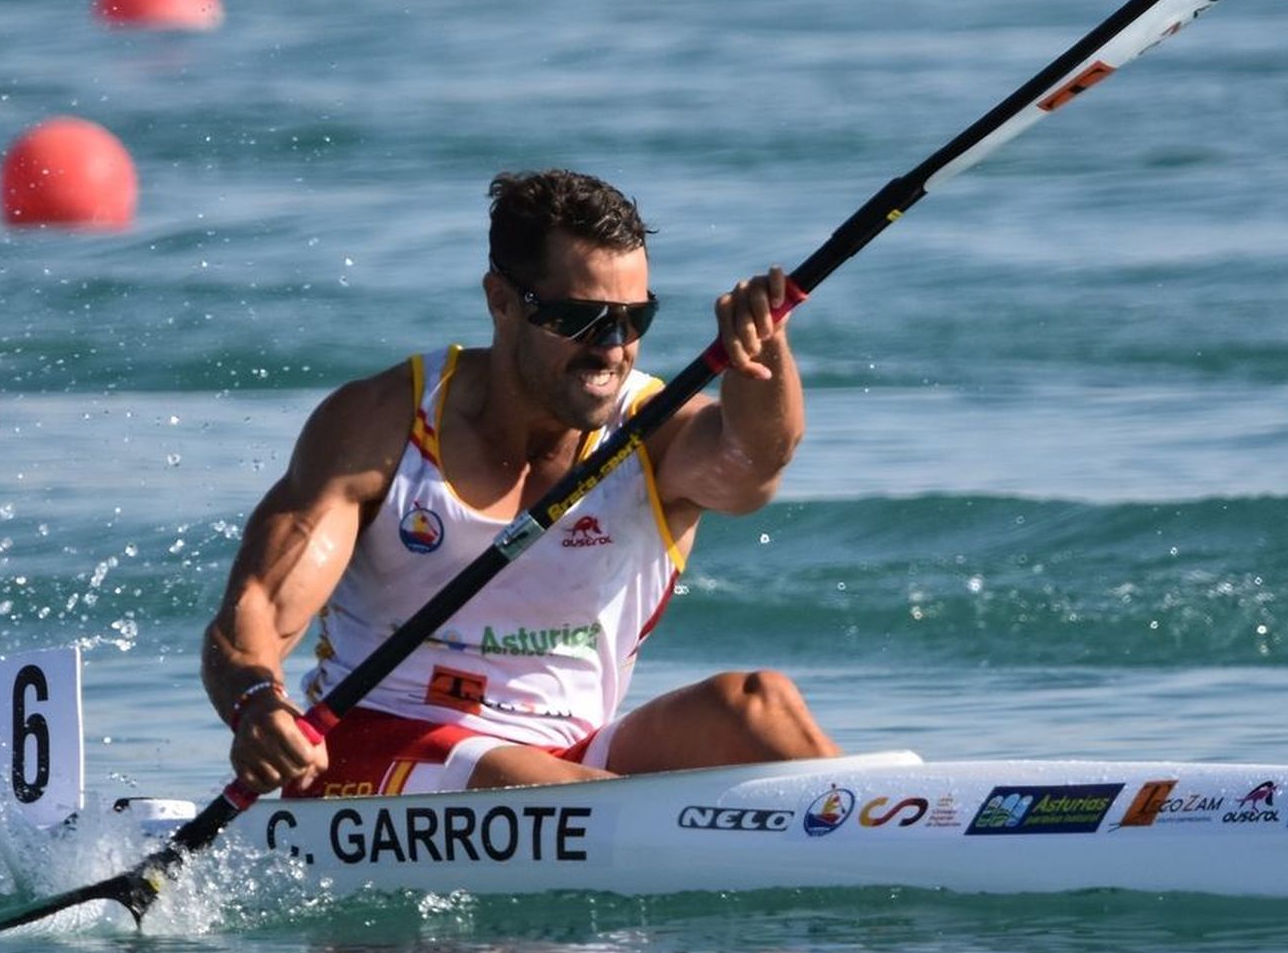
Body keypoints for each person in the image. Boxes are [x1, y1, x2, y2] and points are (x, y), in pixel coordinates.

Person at [202, 169, 839, 797]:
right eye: (580, 319)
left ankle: (891, 826)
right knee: (548, 783)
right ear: (501, 301)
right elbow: (258, 607)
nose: (612, 349)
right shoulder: (381, 424)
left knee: (758, 705)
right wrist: (258, 705)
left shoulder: (653, 430)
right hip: (372, 749)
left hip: (565, 754)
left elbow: (753, 469)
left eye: (633, 320)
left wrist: (764, 356)